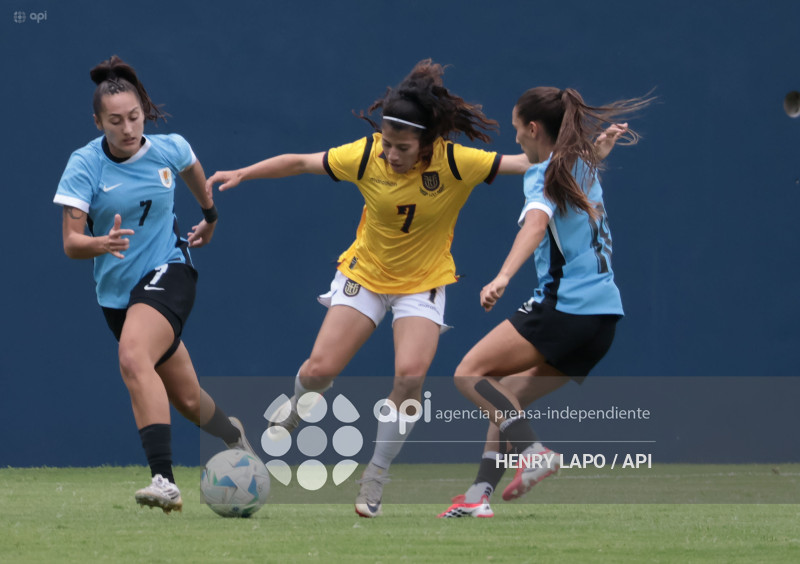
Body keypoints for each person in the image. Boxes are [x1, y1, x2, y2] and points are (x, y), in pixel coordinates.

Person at [207, 61, 623, 518]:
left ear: (428, 142)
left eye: (402, 147)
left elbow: (532, 163)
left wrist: (587, 156)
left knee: (409, 378)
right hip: (365, 276)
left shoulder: (455, 162)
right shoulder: (365, 155)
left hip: (423, 285)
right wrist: (246, 171)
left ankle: (375, 477)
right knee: (320, 370)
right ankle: (299, 401)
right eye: (387, 143)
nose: (390, 153)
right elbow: (302, 162)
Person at [53, 55, 256, 514]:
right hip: (116, 294)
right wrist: (99, 243)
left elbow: (192, 171)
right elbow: (70, 242)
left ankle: (163, 480)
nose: (127, 128)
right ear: (98, 121)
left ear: (144, 110)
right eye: (115, 121)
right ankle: (234, 436)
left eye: (134, 117)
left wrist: (210, 217)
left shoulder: (169, 148)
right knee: (185, 397)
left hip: (170, 269)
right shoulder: (85, 165)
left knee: (131, 355)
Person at [440, 86, 651, 518]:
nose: (515, 139)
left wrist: (501, 277)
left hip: (565, 309)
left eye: (518, 130)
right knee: (507, 396)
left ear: (534, 128)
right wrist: (601, 148)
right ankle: (479, 496)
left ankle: (533, 451)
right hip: (603, 320)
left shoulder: (543, 174)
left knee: (468, 374)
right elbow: (573, 175)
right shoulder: (582, 163)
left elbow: (535, 224)